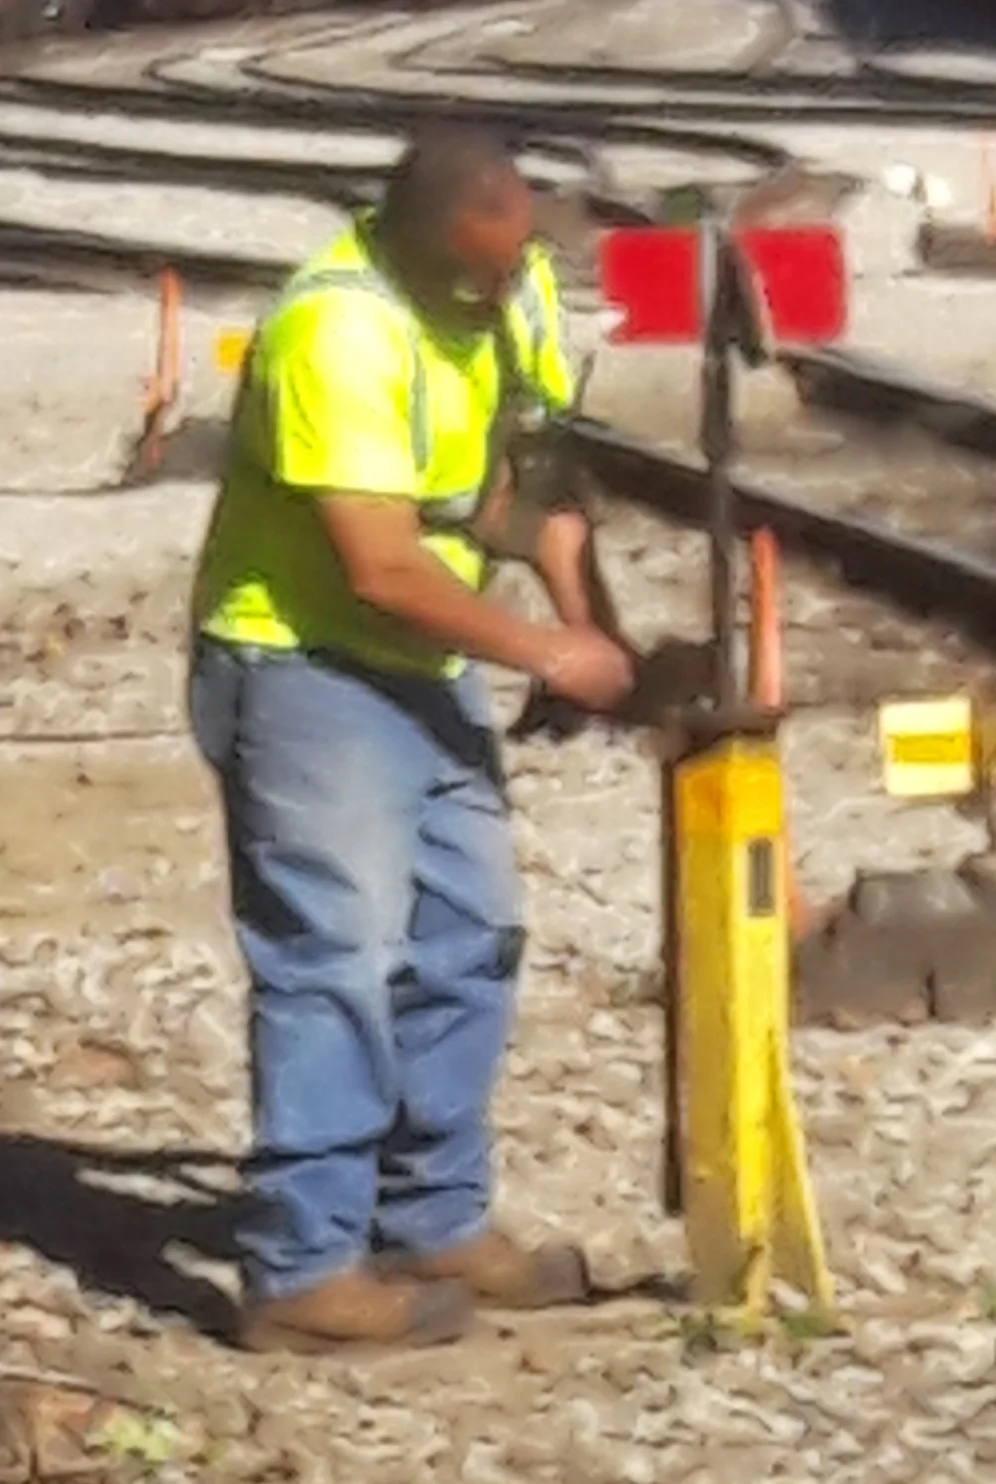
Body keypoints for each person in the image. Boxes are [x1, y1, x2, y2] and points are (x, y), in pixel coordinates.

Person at [188, 123, 635, 1354]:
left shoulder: (515, 283)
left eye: (511, 268)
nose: (498, 294)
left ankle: (431, 1215)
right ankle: (301, 1267)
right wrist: (546, 653)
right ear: (419, 243)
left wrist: (587, 623)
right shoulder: (336, 328)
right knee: (333, 956)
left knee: (469, 931)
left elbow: (529, 479)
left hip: (427, 659)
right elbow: (381, 564)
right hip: (303, 663)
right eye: (477, 277)